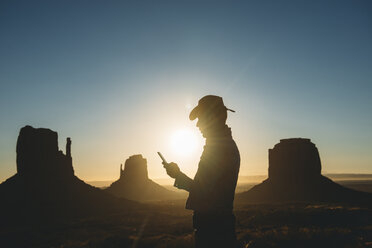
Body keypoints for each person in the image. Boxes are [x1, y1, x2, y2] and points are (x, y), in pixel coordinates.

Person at [163, 95, 240, 248]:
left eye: (201, 118)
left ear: (213, 118)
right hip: (218, 226)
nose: (198, 125)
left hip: (213, 230)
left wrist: (177, 175)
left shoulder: (218, 149)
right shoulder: (223, 146)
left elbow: (201, 189)